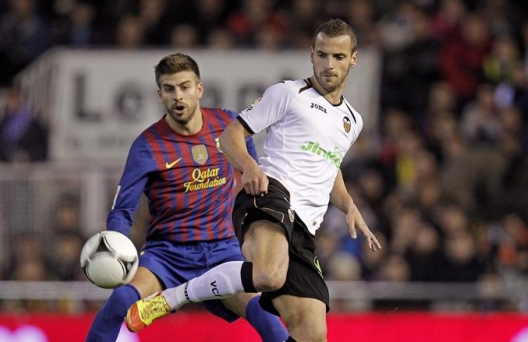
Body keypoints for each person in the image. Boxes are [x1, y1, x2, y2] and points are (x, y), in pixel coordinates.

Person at [125, 19, 382, 342]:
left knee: (312, 334)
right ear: (311, 55)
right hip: (269, 195)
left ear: (353, 59)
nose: (329, 64)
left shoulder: (352, 120)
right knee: (268, 275)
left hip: (304, 226)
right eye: (322, 55)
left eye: (339, 57)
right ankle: (172, 298)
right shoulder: (288, 93)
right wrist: (249, 167)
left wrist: (349, 205)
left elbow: (329, 166)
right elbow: (230, 135)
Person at [86, 53, 288, 342]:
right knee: (119, 302)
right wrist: (117, 251)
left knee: (265, 312)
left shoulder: (228, 125)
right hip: (167, 255)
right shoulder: (147, 146)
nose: (178, 96)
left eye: (184, 87)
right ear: (160, 95)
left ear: (199, 89)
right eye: (169, 89)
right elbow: (122, 211)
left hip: (222, 250)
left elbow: (252, 183)